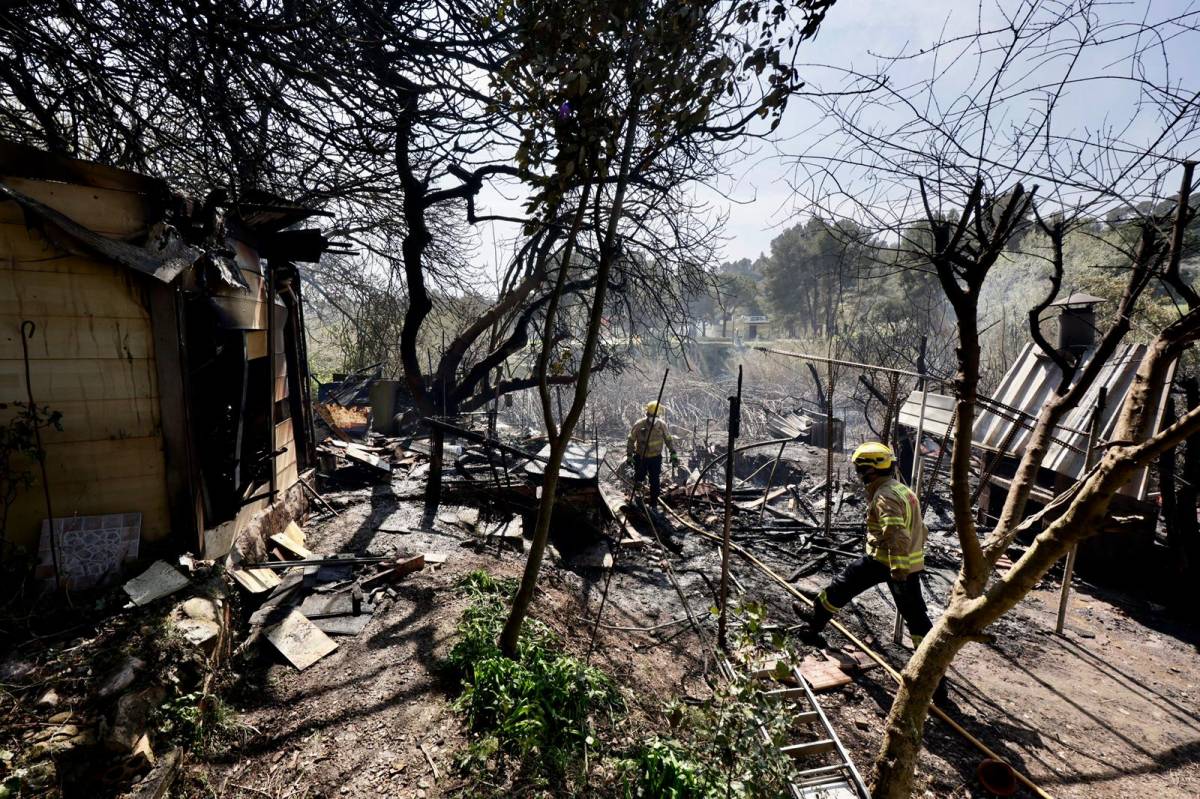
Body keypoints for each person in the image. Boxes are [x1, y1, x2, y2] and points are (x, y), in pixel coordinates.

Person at [795, 441, 945, 700]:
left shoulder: (885, 495)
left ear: (870, 469)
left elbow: (896, 533)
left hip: (887, 562)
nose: (859, 473)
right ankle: (937, 682)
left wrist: (898, 568)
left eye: (860, 468)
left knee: (840, 587)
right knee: (917, 619)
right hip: (903, 563)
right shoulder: (901, 490)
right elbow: (919, 530)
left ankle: (814, 624)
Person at [626, 400, 678, 503]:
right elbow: (631, 440)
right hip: (641, 457)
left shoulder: (662, 425)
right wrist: (629, 455)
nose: (653, 418)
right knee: (639, 477)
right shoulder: (639, 425)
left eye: (656, 416)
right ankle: (637, 496)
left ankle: (654, 501)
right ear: (647, 414)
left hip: (656, 458)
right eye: (651, 415)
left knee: (655, 480)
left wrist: (673, 452)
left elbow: (668, 439)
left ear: (659, 416)